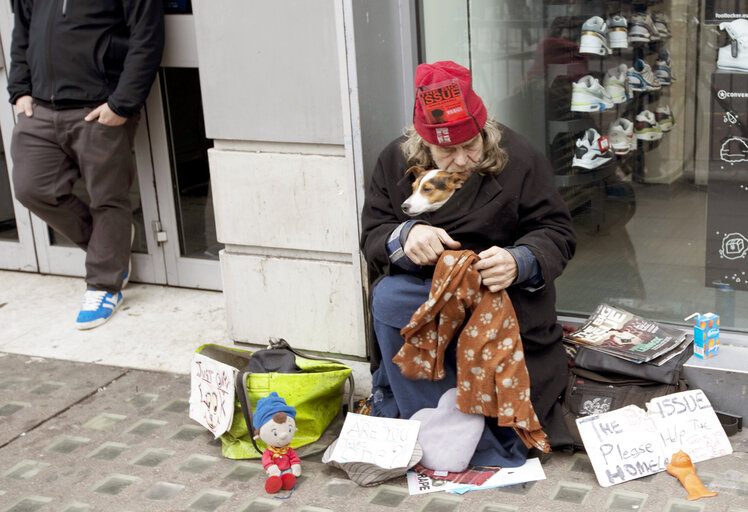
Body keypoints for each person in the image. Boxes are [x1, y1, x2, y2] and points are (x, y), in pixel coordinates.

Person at [360, 61, 577, 466]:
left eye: (470, 147)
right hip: (426, 287)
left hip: (498, 291)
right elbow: (373, 232)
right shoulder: (394, 160)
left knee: (497, 319)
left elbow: (557, 231)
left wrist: (521, 260)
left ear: (485, 127)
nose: (460, 159)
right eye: (446, 151)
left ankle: (480, 432)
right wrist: (406, 235)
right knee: (389, 299)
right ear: (423, 144)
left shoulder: (521, 158)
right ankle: (429, 424)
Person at [7, 0, 165, 329]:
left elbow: (146, 36)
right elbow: (22, 30)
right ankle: (110, 247)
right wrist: (20, 90)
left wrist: (121, 104)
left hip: (100, 107)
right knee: (30, 188)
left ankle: (104, 285)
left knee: (107, 197)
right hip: (40, 108)